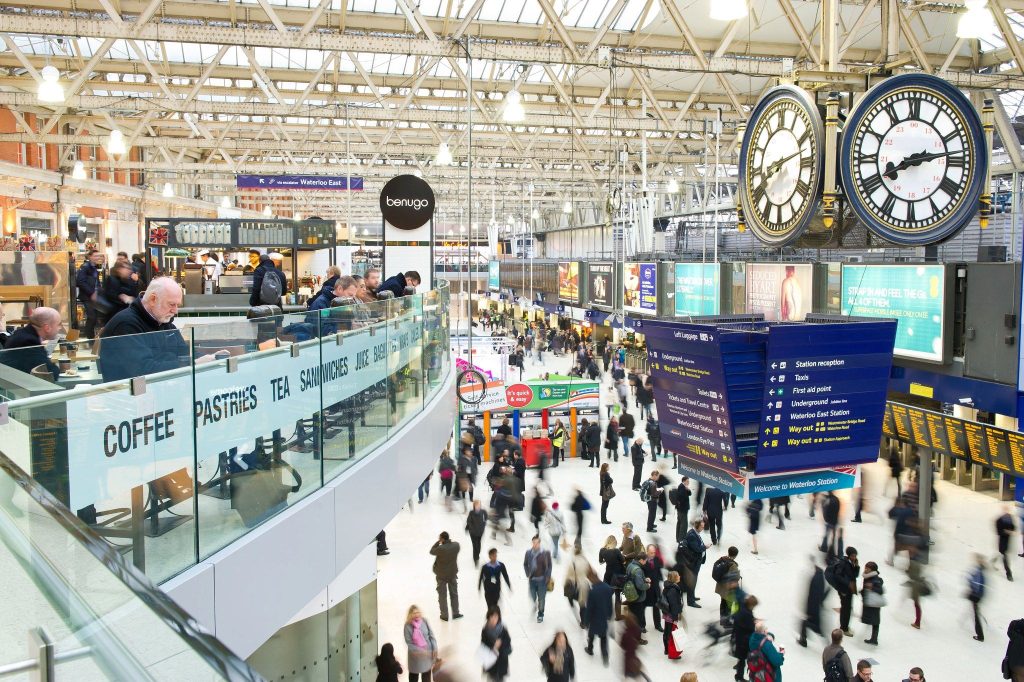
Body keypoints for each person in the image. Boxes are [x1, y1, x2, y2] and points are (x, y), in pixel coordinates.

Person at [101, 278, 218, 381]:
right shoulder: (126, 324)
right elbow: (144, 369)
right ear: (153, 299)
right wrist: (193, 363)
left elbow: (184, 352)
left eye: (178, 305)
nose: (175, 311)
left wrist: (213, 358)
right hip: (129, 398)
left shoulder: (163, 321)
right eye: (172, 304)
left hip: (162, 391)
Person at [0, 307, 61, 380]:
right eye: (58, 324)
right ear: (47, 328)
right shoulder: (28, 341)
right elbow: (51, 373)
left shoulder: (23, 334)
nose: (60, 328)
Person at [429, 531, 462, 621]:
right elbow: (454, 543)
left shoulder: (440, 549)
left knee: (442, 595)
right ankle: (456, 613)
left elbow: (431, 551)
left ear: (442, 538)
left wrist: (438, 542)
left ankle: (444, 615)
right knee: (454, 594)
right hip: (452, 574)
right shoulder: (456, 545)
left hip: (441, 575)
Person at [798, 555, 827, 647]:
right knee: (813, 625)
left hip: (813, 607)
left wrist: (808, 609)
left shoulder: (816, 578)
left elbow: (814, 595)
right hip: (816, 606)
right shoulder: (820, 574)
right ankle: (804, 639)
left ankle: (803, 640)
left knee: (809, 624)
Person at [585, 571, 613, 666]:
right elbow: (610, 604)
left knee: (591, 634)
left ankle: (590, 649)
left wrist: (586, 621)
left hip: (594, 618)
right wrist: (609, 614)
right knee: (603, 639)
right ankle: (605, 657)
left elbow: (589, 608)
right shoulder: (607, 588)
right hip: (604, 617)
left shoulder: (592, 591)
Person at [403, 606, 438, 682]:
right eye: (414, 613)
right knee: (413, 678)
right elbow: (409, 643)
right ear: (410, 614)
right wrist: (421, 652)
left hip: (427, 654)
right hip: (415, 657)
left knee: (426, 678)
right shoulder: (407, 625)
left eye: (418, 612)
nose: (417, 614)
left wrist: (435, 648)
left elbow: (431, 635)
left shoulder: (424, 621)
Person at [679, 517, 708, 608]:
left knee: (694, 580)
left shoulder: (695, 533)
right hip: (693, 562)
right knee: (692, 581)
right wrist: (705, 547)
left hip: (696, 561)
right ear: (697, 526)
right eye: (702, 527)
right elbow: (697, 548)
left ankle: (692, 596)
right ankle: (690, 601)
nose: (703, 529)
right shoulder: (692, 535)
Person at [524, 535, 553, 622]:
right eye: (534, 543)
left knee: (541, 598)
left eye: (537, 543)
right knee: (532, 596)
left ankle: (540, 614)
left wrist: (548, 576)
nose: (535, 544)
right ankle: (535, 604)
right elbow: (525, 564)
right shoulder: (528, 553)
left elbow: (550, 565)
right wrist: (527, 573)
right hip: (532, 580)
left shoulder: (545, 553)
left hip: (542, 580)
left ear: (539, 543)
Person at [76, 249, 103, 338]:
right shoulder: (85, 267)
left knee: (95, 317)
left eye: (98, 256)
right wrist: (91, 293)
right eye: (95, 256)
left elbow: (96, 281)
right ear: (90, 256)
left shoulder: (93, 267)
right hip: (87, 296)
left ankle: (92, 336)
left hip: (94, 296)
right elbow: (80, 281)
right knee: (92, 317)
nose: (97, 258)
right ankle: (90, 337)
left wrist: (99, 290)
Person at [480, 605, 512, 681]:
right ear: (488, 617)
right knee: (491, 678)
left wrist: (501, 643)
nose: (494, 619)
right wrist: (493, 646)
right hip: (490, 662)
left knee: (500, 679)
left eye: (496, 617)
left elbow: (508, 641)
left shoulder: (503, 629)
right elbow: (483, 644)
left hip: (501, 661)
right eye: (492, 617)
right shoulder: (485, 630)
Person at [620, 611, 653, 681]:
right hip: (634, 655)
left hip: (628, 656)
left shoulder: (626, 634)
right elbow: (638, 639)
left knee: (629, 671)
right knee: (637, 669)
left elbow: (622, 644)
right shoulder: (636, 629)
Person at [731, 594, 757, 681]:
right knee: (744, 659)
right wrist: (754, 623)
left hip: (739, 638)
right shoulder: (747, 614)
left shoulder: (742, 608)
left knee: (741, 659)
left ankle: (738, 673)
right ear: (751, 605)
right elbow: (751, 628)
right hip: (744, 641)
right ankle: (739, 677)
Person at [623, 551, 650, 634]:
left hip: (629, 594)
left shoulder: (630, 565)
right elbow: (640, 586)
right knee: (638, 616)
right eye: (645, 561)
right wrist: (648, 585)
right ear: (641, 560)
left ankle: (629, 627)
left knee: (630, 612)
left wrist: (644, 579)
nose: (645, 562)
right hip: (637, 597)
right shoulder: (638, 570)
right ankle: (638, 636)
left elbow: (631, 577)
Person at [598, 534, 625, 616]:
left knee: (606, 594)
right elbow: (623, 561)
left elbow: (600, 562)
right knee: (618, 595)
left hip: (608, 575)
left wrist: (607, 560)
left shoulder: (602, 550)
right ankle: (619, 615)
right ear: (615, 543)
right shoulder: (616, 551)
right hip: (618, 576)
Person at [712, 546, 740, 622]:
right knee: (728, 606)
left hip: (720, 587)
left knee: (722, 604)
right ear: (736, 555)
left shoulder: (722, 559)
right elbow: (736, 577)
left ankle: (722, 620)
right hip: (728, 590)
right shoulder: (733, 565)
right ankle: (726, 622)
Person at [642, 544, 665, 633]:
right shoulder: (643, 561)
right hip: (646, 589)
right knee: (643, 608)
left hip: (655, 589)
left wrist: (661, 583)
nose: (653, 554)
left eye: (654, 552)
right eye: (651, 553)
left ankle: (658, 625)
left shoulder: (657, 559)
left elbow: (659, 571)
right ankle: (642, 626)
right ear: (647, 552)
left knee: (656, 607)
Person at [566, 546, 592, 627]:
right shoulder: (585, 561)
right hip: (586, 584)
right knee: (584, 604)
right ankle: (587, 621)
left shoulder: (572, 563)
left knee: (581, 604)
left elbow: (569, 577)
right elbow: (590, 573)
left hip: (577, 585)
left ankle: (583, 622)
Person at [661, 570, 684, 659]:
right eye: (678, 575)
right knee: (670, 632)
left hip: (667, 613)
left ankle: (666, 649)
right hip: (671, 615)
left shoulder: (668, 586)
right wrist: (675, 618)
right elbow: (674, 605)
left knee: (667, 631)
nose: (679, 577)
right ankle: (671, 652)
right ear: (674, 578)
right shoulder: (673, 590)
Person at [860, 561, 884, 645]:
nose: (865, 569)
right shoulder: (867, 577)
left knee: (875, 621)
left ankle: (874, 639)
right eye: (865, 568)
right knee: (873, 620)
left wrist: (872, 587)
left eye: (867, 568)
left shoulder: (875, 579)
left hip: (874, 603)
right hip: (870, 602)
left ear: (872, 570)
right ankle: (873, 639)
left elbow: (880, 591)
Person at [967, 552, 986, 641]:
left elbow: (976, 585)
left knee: (976, 616)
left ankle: (980, 635)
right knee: (976, 613)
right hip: (978, 595)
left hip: (976, 596)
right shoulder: (980, 570)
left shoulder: (979, 572)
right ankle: (980, 634)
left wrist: (970, 581)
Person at [996, 504, 1016, 581]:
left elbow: (1014, 527)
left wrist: (1011, 531)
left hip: (1008, 541)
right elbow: (998, 532)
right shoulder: (999, 520)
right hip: (1002, 541)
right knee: (1004, 555)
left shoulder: (1010, 518)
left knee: (1002, 553)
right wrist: (1006, 532)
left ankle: (993, 561)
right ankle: (1009, 573)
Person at [466, 500, 488, 565]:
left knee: (478, 545)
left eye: (479, 505)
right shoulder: (471, 513)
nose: (478, 506)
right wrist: (471, 528)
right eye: (476, 505)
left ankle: (477, 554)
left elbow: (486, 517)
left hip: (480, 532)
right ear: (474, 506)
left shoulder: (483, 511)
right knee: (475, 545)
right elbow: (468, 521)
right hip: (473, 533)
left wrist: (483, 524)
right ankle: (476, 559)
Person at [673, 478, 692, 542]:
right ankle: (681, 539)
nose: (688, 482)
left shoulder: (683, 487)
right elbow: (681, 498)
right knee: (683, 525)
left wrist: (688, 490)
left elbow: (690, 494)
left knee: (680, 523)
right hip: (682, 509)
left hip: (680, 509)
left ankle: (678, 538)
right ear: (684, 481)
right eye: (687, 481)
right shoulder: (682, 488)